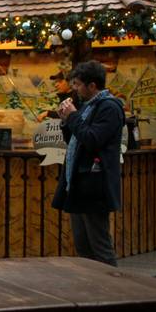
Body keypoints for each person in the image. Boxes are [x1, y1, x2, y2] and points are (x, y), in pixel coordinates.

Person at [52, 60, 124, 267]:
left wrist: (73, 116)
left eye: (77, 84)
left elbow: (92, 139)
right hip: (79, 184)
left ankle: (115, 291)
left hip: (95, 186)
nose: (74, 88)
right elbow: (76, 139)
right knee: (83, 247)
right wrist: (66, 120)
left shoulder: (109, 107)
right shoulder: (87, 107)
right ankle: (92, 289)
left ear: (92, 86)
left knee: (100, 247)